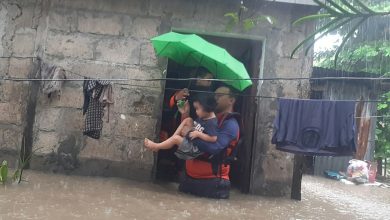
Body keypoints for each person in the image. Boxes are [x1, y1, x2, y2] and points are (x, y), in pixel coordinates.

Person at [178, 86, 241, 199]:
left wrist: (189, 134)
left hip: (212, 183)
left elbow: (214, 148)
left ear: (231, 100)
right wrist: (185, 114)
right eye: (214, 95)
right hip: (189, 177)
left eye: (219, 96)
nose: (214, 98)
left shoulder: (231, 124)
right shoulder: (207, 119)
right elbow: (188, 133)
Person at [145, 94, 218, 160]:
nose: (196, 111)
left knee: (176, 139)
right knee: (188, 120)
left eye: (197, 109)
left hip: (194, 149)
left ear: (207, 109)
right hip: (192, 138)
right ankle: (171, 140)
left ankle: (157, 146)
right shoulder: (204, 116)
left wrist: (198, 134)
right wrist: (184, 113)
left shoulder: (212, 123)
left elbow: (213, 138)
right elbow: (193, 127)